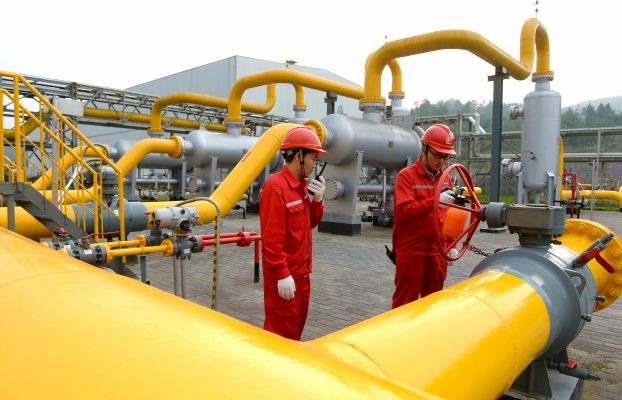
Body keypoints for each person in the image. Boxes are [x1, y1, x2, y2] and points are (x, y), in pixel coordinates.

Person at [259, 126, 327, 340]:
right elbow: (272, 240)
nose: (315, 165)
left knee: (295, 333)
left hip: (301, 276)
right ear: (299, 156)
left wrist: (317, 201)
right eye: (313, 159)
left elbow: (308, 224)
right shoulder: (276, 188)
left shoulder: (301, 187)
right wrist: (282, 274)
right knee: (280, 337)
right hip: (285, 277)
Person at [391, 124, 458, 309]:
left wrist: (451, 244)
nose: (441, 161)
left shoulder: (446, 178)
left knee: (433, 305)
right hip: (411, 249)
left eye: (446, 157)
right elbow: (404, 211)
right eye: (437, 155)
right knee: (405, 304)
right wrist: (435, 201)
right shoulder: (406, 177)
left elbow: (448, 215)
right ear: (424, 149)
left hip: (437, 250)